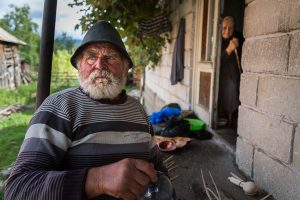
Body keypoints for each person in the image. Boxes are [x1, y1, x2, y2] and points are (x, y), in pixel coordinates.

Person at [5, 21, 171, 200]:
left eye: (110, 57)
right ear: (79, 65)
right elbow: (18, 189)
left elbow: (157, 167)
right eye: (91, 57)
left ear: (125, 67)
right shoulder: (59, 106)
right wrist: (97, 180)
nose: (99, 65)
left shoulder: (137, 109)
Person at [218, 16, 244, 130]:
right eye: (224, 28)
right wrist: (228, 49)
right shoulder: (216, 41)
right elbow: (215, 63)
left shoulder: (238, 38)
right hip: (222, 80)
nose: (227, 31)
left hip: (236, 78)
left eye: (230, 28)